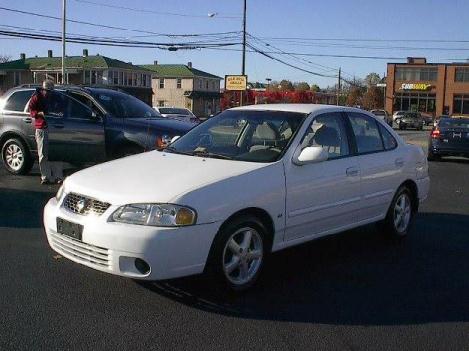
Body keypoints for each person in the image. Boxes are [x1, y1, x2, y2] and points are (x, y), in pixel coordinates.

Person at [29, 80, 62, 184]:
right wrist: (39, 113)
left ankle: (58, 176)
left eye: (50, 91)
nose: (48, 93)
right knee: (43, 154)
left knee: (56, 153)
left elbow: (61, 107)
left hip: (56, 127)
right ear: (43, 89)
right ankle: (45, 177)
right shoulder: (36, 97)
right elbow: (31, 111)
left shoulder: (55, 97)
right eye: (47, 91)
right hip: (42, 127)